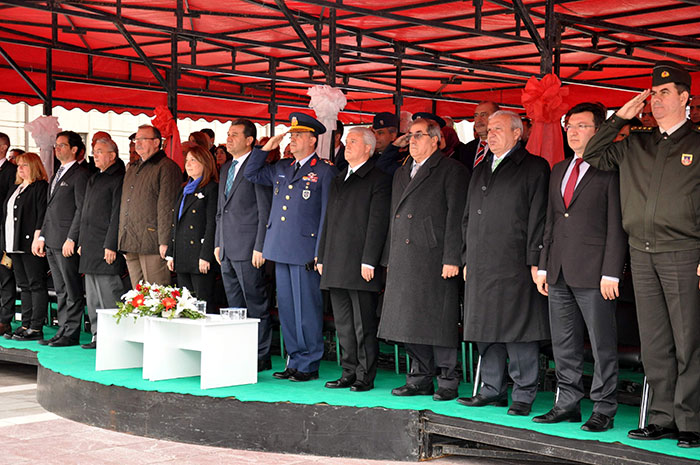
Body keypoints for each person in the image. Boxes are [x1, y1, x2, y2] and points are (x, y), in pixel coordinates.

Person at [583, 61, 700, 449]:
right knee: (655, 343)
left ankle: (691, 421)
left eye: (666, 92)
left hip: (684, 251)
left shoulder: (697, 144)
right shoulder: (637, 142)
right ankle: (663, 418)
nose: (657, 99)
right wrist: (618, 118)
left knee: (688, 342)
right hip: (643, 253)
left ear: (686, 98)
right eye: (654, 93)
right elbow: (592, 154)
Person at [533, 103, 627, 432]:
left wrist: (612, 271)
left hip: (595, 272)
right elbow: (551, 220)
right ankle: (567, 403)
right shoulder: (558, 168)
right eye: (570, 126)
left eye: (582, 126)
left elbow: (617, 223)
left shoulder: (611, 169)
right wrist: (543, 265)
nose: (572, 131)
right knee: (564, 342)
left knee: (601, 343)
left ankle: (603, 408)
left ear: (599, 130)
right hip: (558, 269)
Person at [459, 110, 550, 416]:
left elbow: (539, 218)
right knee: (486, 330)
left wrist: (535, 261)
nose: (490, 133)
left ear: (517, 133)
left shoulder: (534, 167)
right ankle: (491, 389)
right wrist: (466, 257)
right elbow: (468, 217)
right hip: (481, 263)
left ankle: (523, 394)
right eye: (489, 129)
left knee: (518, 331)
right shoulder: (482, 166)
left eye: (498, 129)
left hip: (515, 263)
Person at [378, 117, 468, 401]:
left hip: (435, 256)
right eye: (410, 135)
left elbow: (457, 217)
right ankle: (419, 377)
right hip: (405, 255)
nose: (412, 140)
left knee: (437, 321)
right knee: (406, 320)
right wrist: (389, 256)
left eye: (418, 135)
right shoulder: (402, 171)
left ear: (435, 139)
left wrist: (453, 257)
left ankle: (447, 380)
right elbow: (394, 216)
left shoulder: (451, 170)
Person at [244, 112, 337, 382]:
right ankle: (294, 359)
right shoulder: (282, 167)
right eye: (291, 134)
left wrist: (320, 251)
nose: (291, 139)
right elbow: (251, 173)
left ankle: (309, 362)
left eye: (297, 135)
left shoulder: (324, 170)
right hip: (280, 246)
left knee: (306, 308)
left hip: (305, 249)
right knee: (286, 308)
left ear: (312, 140)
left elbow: (325, 215)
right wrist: (266, 148)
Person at [317, 127, 391, 392]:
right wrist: (321, 255)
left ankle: (364, 375)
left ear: (368, 148)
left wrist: (370, 260)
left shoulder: (378, 179)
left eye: (353, 142)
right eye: (346, 142)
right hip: (336, 261)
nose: (347, 145)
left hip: (360, 263)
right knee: (344, 324)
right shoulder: (339, 178)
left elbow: (378, 223)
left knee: (363, 324)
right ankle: (348, 370)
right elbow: (329, 220)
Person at [215, 119, 273, 372]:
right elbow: (221, 210)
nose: (229, 139)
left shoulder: (257, 168)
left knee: (256, 303)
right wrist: (219, 242)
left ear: (250, 140)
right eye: (228, 134)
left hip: (250, 248)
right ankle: (240, 349)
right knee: (234, 305)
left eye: (235, 135)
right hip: (227, 247)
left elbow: (264, 210)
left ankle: (261, 354)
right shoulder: (227, 167)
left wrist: (260, 245)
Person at [33, 131, 89, 347]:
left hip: (66, 241)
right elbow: (50, 208)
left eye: (62, 145)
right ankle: (63, 329)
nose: (57, 149)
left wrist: (72, 238)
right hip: (52, 240)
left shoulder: (80, 174)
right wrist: (43, 235)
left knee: (72, 287)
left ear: (74, 149)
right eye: (56, 145)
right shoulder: (57, 173)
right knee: (61, 289)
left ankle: (72, 331)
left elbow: (80, 209)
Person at [77, 137, 127, 349]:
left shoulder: (118, 178)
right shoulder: (95, 177)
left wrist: (111, 244)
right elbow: (84, 212)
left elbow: (117, 215)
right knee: (93, 296)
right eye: (94, 151)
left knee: (109, 293)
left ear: (112, 155)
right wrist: (81, 240)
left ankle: (114, 336)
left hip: (105, 243)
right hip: (90, 242)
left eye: (99, 151)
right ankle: (98, 334)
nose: (94, 155)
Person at [119, 124, 182, 287]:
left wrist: (165, 241)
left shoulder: (167, 167)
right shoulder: (133, 168)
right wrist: (122, 239)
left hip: (153, 242)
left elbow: (167, 206)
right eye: (136, 139)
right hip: (131, 240)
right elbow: (125, 205)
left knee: (157, 295)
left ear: (156, 142)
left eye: (142, 139)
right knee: (138, 297)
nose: (137, 143)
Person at [2, 153, 48, 341]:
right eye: (19, 165)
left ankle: (36, 326)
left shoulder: (39, 187)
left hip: (30, 242)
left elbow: (41, 214)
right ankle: (26, 323)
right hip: (14, 242)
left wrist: (38, 237)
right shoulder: (16, 187)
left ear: (34, 167)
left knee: (36, 284)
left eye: (25, 165)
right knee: (24, 285)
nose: (20, 168)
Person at [166, 145, 219, 311]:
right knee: (186, 304)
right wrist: (170, 253)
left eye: (193, 160)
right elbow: (176, 223)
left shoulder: (211, 188)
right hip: (182, 255)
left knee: (202, 304)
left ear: (205, 163)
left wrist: (206, 255)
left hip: (199, 255)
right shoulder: (184, 189)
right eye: (187, 160)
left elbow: (212, 224)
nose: (188, 164)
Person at [0, 132, 18, 337]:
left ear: (4, 147)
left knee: (4, 276)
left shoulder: (12, 171)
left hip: (4, 231)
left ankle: (4, 320)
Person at [456, 101, 500, 176]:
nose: (478, 120)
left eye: (483, 115)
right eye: (476, 116)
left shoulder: (504, 148)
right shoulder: (465, 149)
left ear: (497, 117)